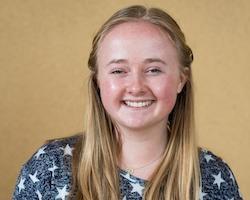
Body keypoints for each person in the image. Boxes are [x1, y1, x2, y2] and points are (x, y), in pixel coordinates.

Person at [13, 5, 242, 200]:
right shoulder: (50, 169)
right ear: (98, 81)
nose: (136, 86)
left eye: (153, 70)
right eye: (118, 70)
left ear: (181, 79)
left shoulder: (213, 176)